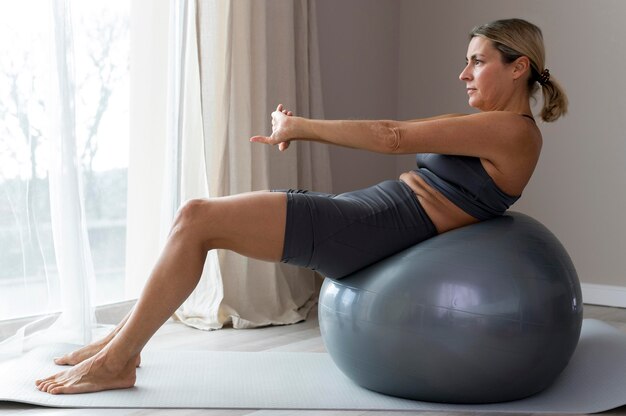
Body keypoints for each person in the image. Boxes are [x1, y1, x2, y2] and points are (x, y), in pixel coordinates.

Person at [35, 18, 567, 394]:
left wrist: (299, 127)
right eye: (466, 61)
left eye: (477, 61)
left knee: (197, 218)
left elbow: (391, 136)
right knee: (195, 218)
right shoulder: (501, 128)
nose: (464, 73)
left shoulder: (511, 131)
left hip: (367, 230)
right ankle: (118, 344)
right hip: (364, 216)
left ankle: (119, 359)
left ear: (518, 67)